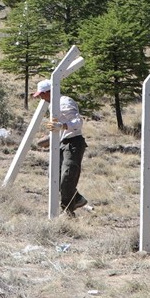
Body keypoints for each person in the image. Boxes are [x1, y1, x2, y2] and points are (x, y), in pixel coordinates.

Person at [33, 79, 89, 217]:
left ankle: (67, 211)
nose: (41, 98)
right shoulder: (53, 105)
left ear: (49, 92)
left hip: (73, 143)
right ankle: (77, 199)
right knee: (56, 177)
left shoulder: (65, 102)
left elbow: (78, 122)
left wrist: (62, 126)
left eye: (42, 94)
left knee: (67, 176)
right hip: (62, 143)